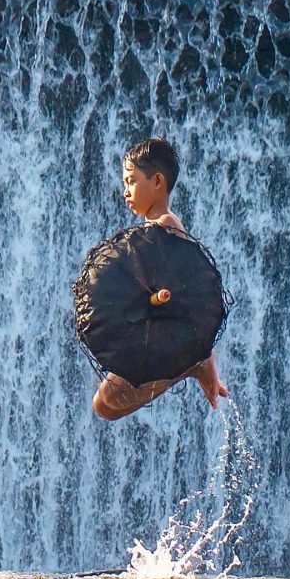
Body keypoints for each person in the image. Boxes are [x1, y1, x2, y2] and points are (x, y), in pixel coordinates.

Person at [91, 138, 228, 420]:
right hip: (157, 332)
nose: (125, 191)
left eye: (131, 181)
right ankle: (185, 368)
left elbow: (193, 289)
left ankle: (188, 365)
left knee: (106, 400)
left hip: (172, 335)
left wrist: (204, 350)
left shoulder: (167, 226)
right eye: (125, 183)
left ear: (157, 182)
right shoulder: (152, 229)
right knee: (105, 407)